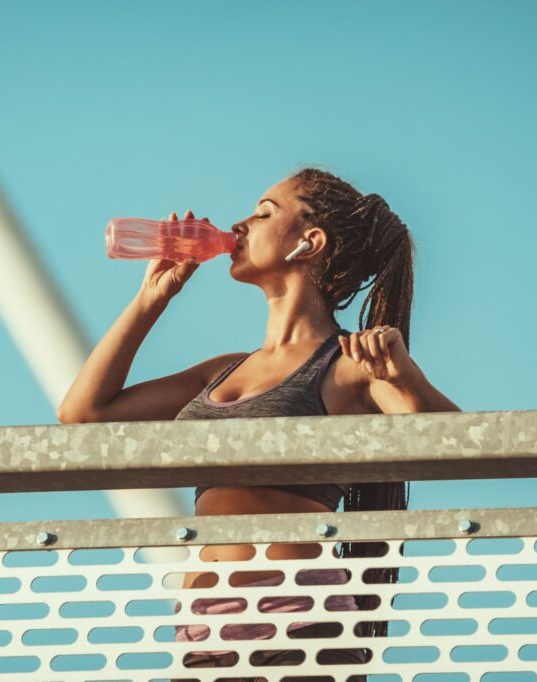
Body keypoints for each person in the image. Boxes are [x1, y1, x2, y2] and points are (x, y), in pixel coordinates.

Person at [57, 165, 461, 682]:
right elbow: (84, 412)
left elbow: (454, 445)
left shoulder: (347, 365)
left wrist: (406, 381)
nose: (240, 225)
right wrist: (151, 299)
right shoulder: (221, 369)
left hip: (299, 613)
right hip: (206, 625)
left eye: (264, 213)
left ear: (308, 242)